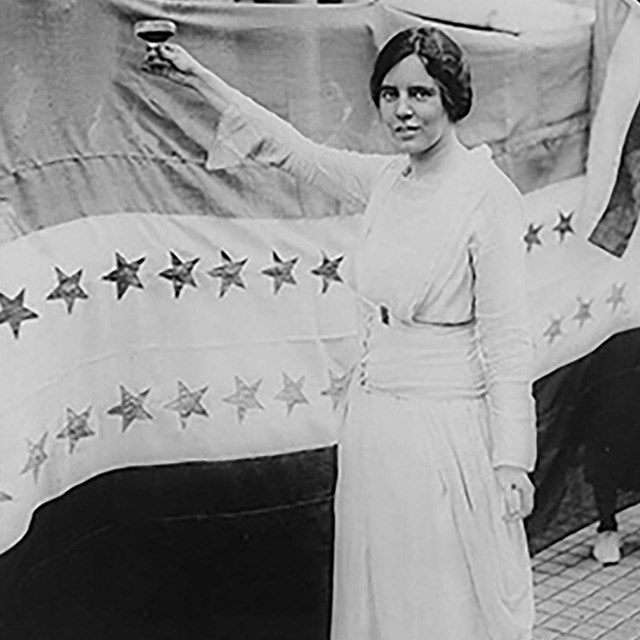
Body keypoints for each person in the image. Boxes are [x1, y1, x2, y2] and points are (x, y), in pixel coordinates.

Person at [143, 25, 537, 640]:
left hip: (447, 433)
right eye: (389, 94)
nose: (403, 110)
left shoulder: (488, 197)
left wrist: (512, 459)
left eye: (421, 93)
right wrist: (198, 76)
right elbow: (293, 150)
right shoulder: (385, 180)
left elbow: (508, 339)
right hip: (376, 427)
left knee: (444, 601)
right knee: (386, 595)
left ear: (452, 98)